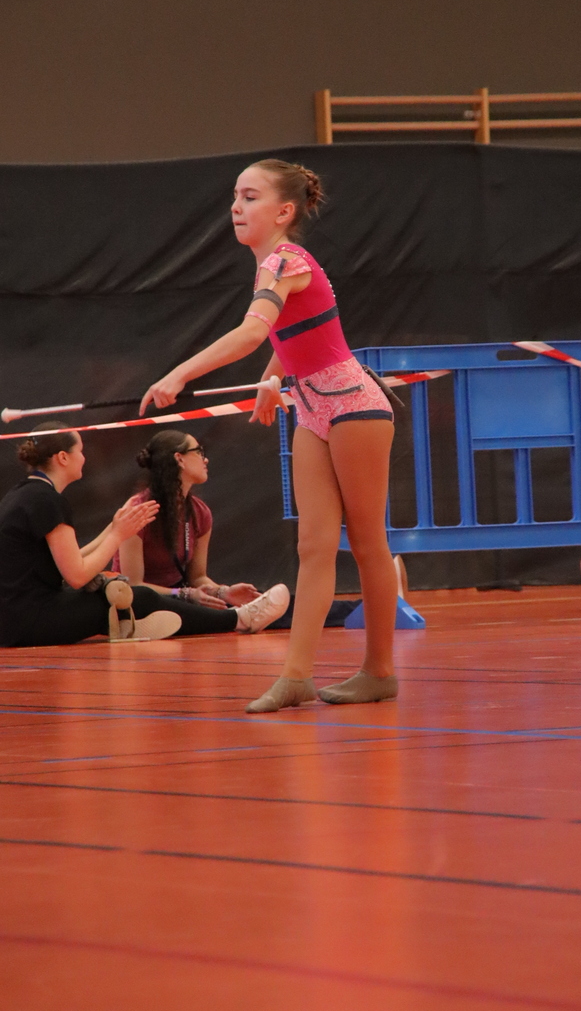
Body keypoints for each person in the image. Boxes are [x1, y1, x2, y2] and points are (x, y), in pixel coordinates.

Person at [140, 158, 399, 712]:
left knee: (367, 543)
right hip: (312, 409)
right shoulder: (272, 265)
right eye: (235, 196)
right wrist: (274, 379)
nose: (236, 207)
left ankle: (379, 671)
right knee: (313, 547)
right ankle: (296, 677)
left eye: (250, 197)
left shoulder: (285, 260)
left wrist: (180, 373)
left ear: (284, 211)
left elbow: (253, 332)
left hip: (355, 405)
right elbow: (298, 331)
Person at [0, 424, 288, 648]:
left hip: (9, 624)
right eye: (81, 451)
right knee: (136, 596)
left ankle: (131, 622)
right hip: (27, 623)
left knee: (127, 597)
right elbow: (76, 576)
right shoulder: (47, 500)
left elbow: (69, 562)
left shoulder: (30, 494)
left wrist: (113, 528)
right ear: (63, 457)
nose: (85, 458)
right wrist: (118, 535)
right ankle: (239, 620)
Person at [113, 429, 358, 630]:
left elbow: (197, 577)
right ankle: (238, 618)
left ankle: (359, 610)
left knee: (260, 600)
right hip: (144, 602)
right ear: (180, 459)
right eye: (199, 451)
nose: (205, 459)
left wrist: (223, 592)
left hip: (184, 596)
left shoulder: (199, 512)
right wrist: (186, 594)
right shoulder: (138, 510)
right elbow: (135, 586)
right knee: (196, 608)